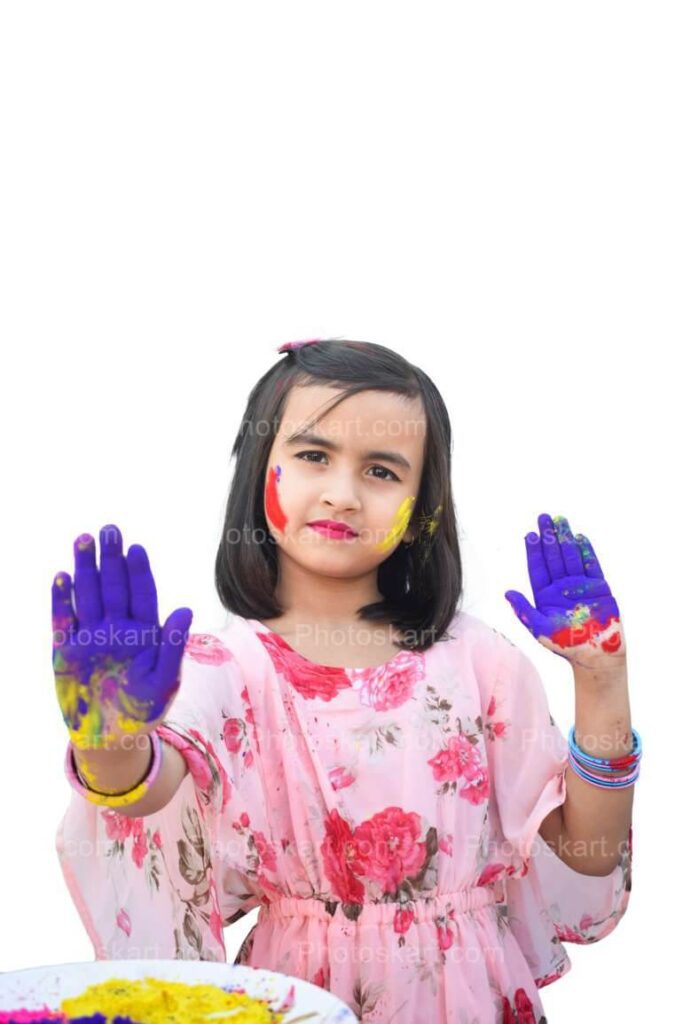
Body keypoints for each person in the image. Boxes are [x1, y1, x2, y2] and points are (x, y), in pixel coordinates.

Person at [53, 338, 638, 1024]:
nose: (342, 492)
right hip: (299, 1000)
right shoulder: (224, 667)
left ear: (425, 506)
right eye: (312, 455)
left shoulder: (481, 662)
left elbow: (582, 855)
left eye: (383, 470)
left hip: (474, 1000)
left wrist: (603, 679)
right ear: (258, 471)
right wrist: (108, 732)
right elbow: (142, 790)